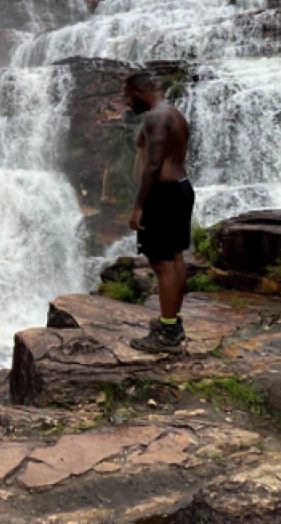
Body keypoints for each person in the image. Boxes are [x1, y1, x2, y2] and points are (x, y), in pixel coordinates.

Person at [123, 72, 194, 354]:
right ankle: (171, 323)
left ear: (140, 90)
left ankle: (167, 335)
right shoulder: (174, 114)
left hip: (162, 195)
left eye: (128, 96)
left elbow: (153, 166)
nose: (128, 103)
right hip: (180, 189)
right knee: (174, 259)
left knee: (162, 264)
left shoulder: (154, 118)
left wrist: (139, 205)